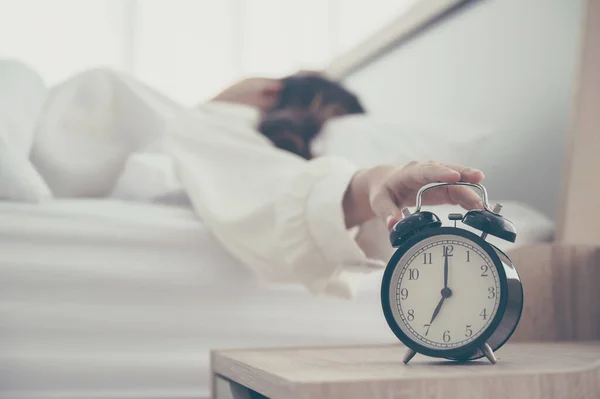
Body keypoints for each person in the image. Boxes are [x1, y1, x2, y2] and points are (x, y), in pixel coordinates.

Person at [164, 73, 485, 298]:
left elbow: (276, 192)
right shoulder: (203, 124)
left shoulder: (210, 120)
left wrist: (368, 184)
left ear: (270, 90)